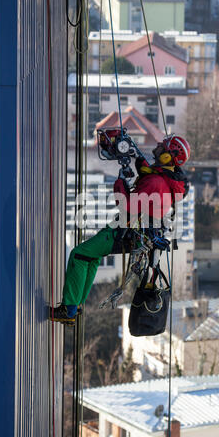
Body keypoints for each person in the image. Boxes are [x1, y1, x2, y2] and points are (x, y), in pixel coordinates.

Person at [50, 134, 191, 325]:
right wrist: (134, 155)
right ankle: (75, 305)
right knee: (91, 256)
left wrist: (120, 181)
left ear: (168, 156)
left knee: (79, 254)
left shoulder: (156, 183)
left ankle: (69, 310)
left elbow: (127, 205)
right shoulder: (165, 179)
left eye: (163, 146)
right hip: (132, 231)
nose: (158, 145)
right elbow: (148, 173)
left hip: (126, 230)